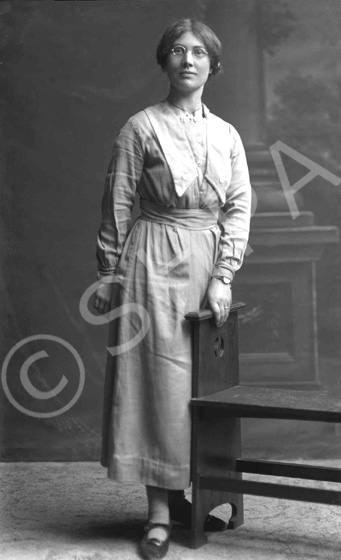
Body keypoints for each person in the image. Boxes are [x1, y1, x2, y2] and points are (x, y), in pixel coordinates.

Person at [93, 18, 251, 560]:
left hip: (205, 261)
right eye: (178, 51)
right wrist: (113, 275)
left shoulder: (226, 134)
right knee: (156, 383)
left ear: (213, 64)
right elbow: (118, 204)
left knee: (200, 389)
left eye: (199, 52)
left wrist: (224, 275)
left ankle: (197, 492)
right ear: (165, 62)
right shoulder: (140, 128)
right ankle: (159, 513)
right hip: (151, 262)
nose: (188, 59)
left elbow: (238, 206)